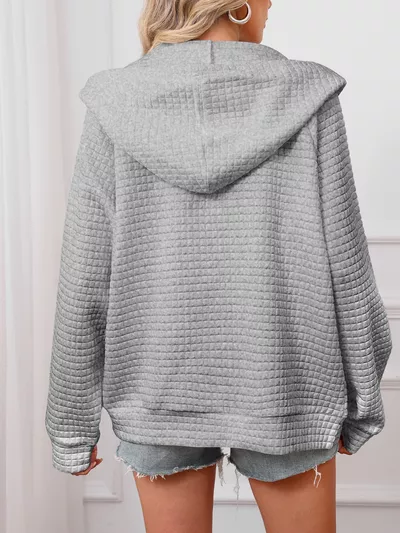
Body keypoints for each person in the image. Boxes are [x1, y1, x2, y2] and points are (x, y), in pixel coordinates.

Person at [45, 1, 393, 532]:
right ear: (237, 5)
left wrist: (71, 426)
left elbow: (85, 277)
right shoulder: (308, 96)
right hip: (285, 383)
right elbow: (347, 267)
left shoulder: (117, 101)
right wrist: (363, 401)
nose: (272, 6)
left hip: (157, 385)